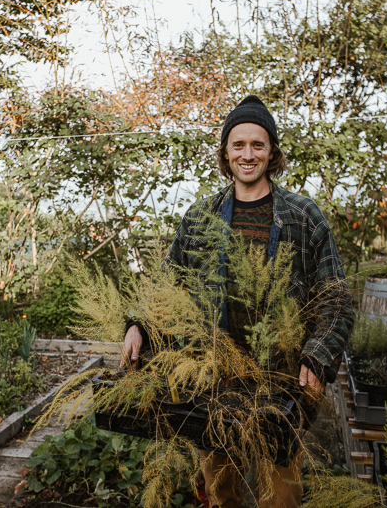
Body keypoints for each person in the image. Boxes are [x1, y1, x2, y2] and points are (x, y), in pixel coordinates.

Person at [121, 95, 355, 507]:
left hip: (280, 384)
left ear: (272, 152)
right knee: (220, 491)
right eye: (239, 145)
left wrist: (317, 355)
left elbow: (336, 299)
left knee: (281, 495)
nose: (248, 155)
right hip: (215, 380)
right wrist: (138, 323)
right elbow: (166, 282)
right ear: (226, 153)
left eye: (257, 145)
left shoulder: (303, 216)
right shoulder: (201, 217)